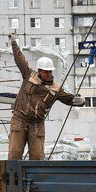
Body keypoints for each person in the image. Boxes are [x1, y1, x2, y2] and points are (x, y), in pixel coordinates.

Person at [8, 32, 84, 160]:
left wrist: (79, 101)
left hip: (37, 123)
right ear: (40, 71)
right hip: (19, 119)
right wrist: (14, 42)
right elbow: (19, 58)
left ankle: (34, 180)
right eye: (46, 72)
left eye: (50, 71)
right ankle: (13, 179)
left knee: (37, 156)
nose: (49, 74)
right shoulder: (29, 75)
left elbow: (69, 99)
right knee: (14, 153)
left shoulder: (55, 89)